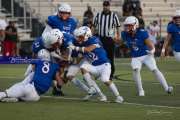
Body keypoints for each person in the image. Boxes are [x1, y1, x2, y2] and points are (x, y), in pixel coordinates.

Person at [69, 26, 124, 103]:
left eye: (81, 37)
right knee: (83, 67)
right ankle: (100, 94)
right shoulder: (83, 43)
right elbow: (80, 56)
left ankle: (118, 96)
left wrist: (74, 48)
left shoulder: (94, 39)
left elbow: (88, 49)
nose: (79, 39)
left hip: (104, 65)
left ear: (87, 35)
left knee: (105, 80)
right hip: (94, 66)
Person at [121, 16, 173, 96]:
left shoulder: (142, 32)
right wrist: (111, 36)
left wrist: (152, 51)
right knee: (136, 70)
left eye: (129, 25)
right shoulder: (125, 34)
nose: (127, 27)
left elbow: (151, 45)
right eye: (126, 25)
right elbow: (120, 42)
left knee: (154, 70)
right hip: (135, 56)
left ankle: (166, 88)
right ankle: (141, 90)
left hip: (146, 55)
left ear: (135, 25)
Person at [93, 0, 121, 80]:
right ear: (103, 6)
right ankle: (99, 73)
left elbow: (117, 27)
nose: (106, 7)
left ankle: (111, 74)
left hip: (110, 39)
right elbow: (94, 27)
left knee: (110, 57)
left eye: (107, 5)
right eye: (104, 5)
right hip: (101, 39)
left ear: (109, 6)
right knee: (100, 57)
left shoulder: (113, 15)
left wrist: (118, 36)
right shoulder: (98, 15)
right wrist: (92, 36)